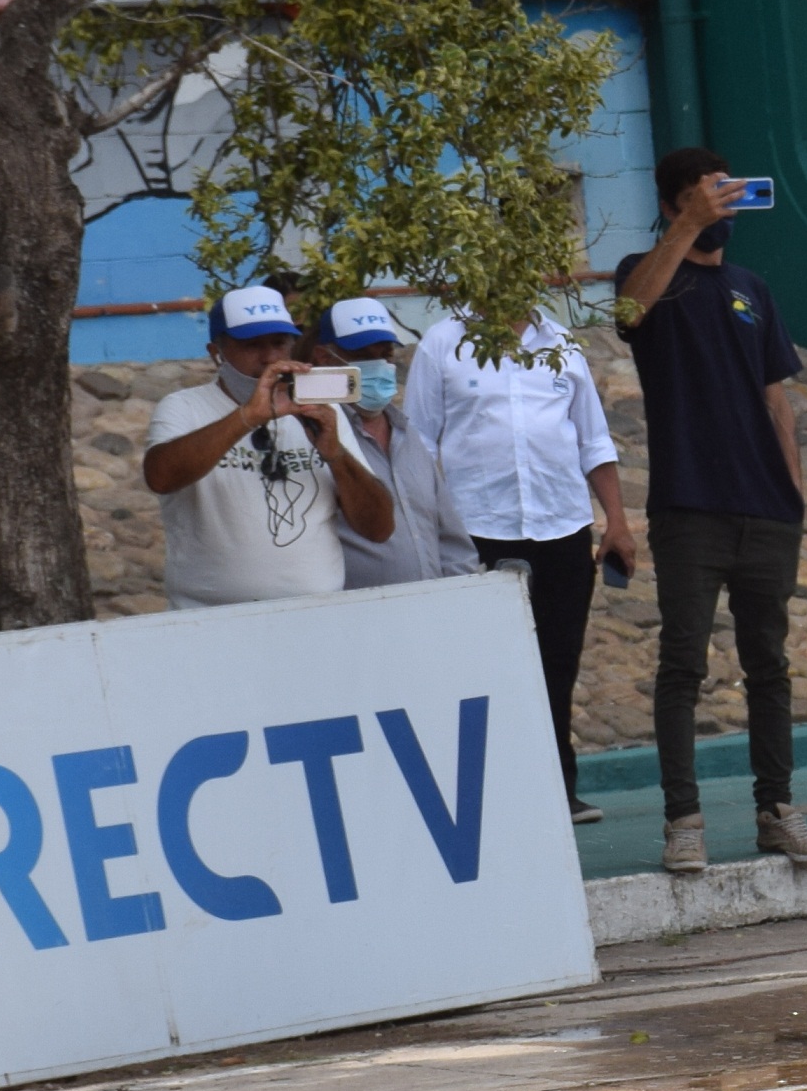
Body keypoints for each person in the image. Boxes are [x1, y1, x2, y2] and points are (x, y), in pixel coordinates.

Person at [612, 146, 807, 873]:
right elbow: (628, 311)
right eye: (709, 196)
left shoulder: (751, 288)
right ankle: (684, 820)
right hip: (689, 506)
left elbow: (777, 398)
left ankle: (777, 810)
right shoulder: (646, 274)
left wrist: (793, 493)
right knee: (683, 664)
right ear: (676, 203)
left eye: (727, 194)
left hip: (766, 510)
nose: (723, 208)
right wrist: (681, 232)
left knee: (769, 664)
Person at [416, 296, 636, 826]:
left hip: (561, 525)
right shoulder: (443, 342)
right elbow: (419, 443)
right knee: (484, 668)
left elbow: (593, 440)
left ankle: (559, 791)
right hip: (479, 530)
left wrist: (618, 521)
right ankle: (488, 798)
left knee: (557, 666)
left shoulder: (561, 344)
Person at [141, 284, 393, 608]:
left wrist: (336, 455)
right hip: (211, 617)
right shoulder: (183, 407)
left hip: (316, 613)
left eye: (279, 343)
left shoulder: (321, 409)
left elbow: (379, 528)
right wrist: (248, 416)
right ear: (216, 352)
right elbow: (161, 477)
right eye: (252, 345)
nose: (270, 358)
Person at [321, 299, 477, 591]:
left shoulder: (408, 434)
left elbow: (450, 538)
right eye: (362, 355)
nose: (379, 365)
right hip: (356, 618)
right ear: (327, 359)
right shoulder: (314, 437)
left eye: (386, 353)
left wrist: (462, 596)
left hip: (433, 613)